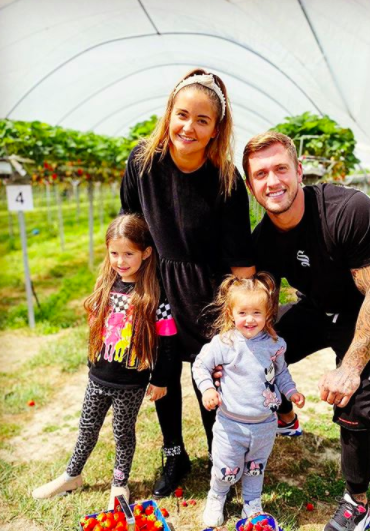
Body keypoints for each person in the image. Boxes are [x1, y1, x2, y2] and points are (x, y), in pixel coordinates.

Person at [242, 132, 370, 531]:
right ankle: (286, 417)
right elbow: (263, 306)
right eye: (261, 174)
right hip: (320, 305)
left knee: (354, 401)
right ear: (251, 186)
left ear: (299, 171)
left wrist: (350, 366)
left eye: (281, 168)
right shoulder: (263, 238)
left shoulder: (348, 210)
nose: (273, 181)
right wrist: (244, 346)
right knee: (258, 349)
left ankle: (358, 502)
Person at [120, 68, 255, 497]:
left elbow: (241, 263)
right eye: (182, 115)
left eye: (202, 120)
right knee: (161, 374)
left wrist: (239, 318)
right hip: (157, 287)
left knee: (210, 378)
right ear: (168, 114)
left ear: (216, 129)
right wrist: (123, 289)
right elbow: (129, 225)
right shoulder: (142, 164)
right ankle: (174, 453)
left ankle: (223, 459)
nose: (188, 127)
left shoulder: (227, 181)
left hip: (206, 293)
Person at [32, 214, 176, 509]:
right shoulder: (105, 288)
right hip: (98, 378)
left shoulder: (154, 297)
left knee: (123, 434)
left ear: (146, 253)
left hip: (130, 384)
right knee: (87, 427)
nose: (120, 261)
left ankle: (119, 483)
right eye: (114, 253)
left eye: (128, 254)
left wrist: (161, 379)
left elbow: (169, 344)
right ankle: (72, 475)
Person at [192, 273, 305, 527]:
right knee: (226, 467)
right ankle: (217, 496)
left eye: (256, 313)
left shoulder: (275, 344)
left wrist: (291, 392)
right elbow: (200, 366)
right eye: (243, 313)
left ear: (268, 314)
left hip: (265, 424)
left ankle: (252, 503)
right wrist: (208, 389)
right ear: (231, 313)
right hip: (231, 425)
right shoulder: (224, 343)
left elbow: (282, 373)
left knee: (256, 467)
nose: (250, 319)